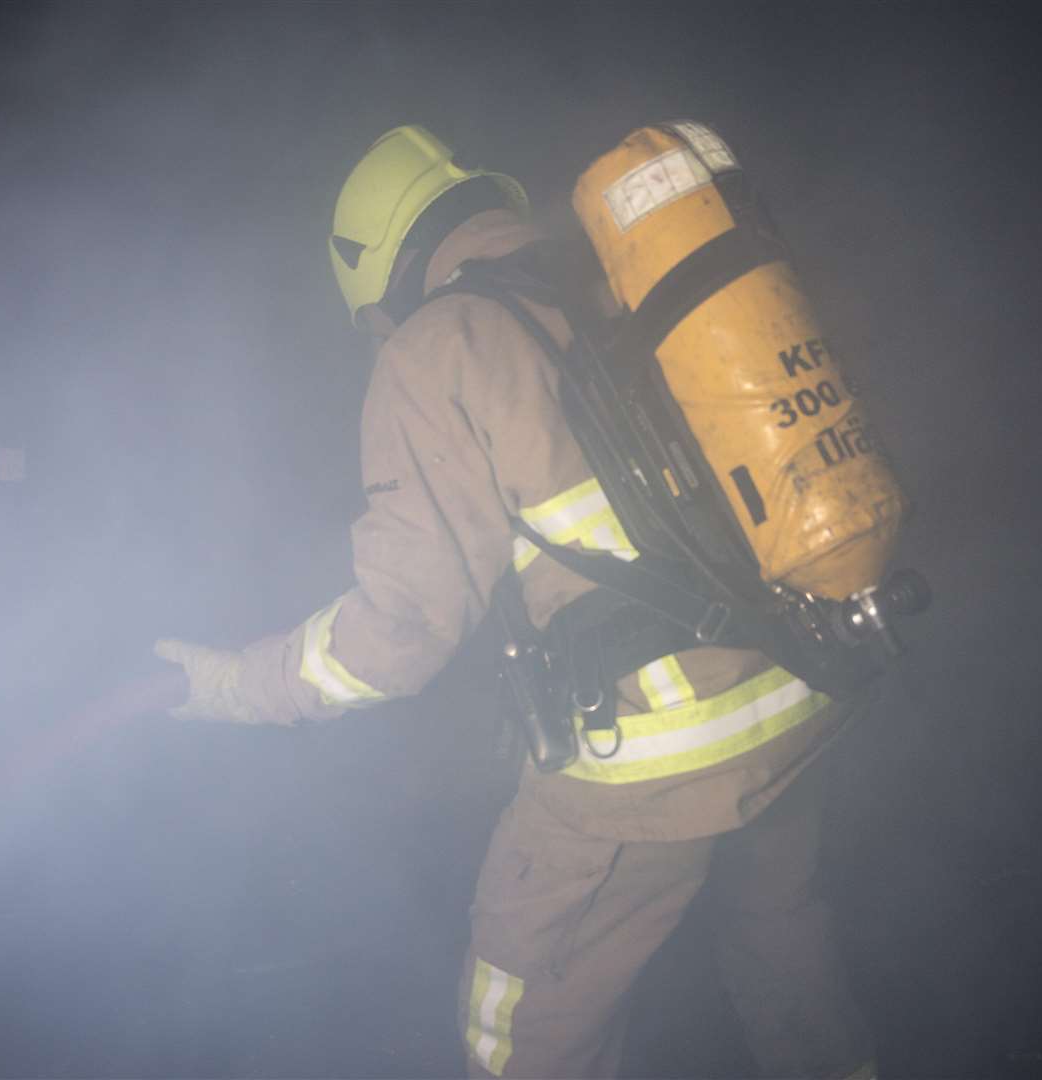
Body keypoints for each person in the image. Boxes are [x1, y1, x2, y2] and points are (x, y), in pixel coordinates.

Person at [154, 124, 876, 1079]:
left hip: (655, 755)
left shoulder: (435, 346)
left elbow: (407, 627)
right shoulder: (613, 283)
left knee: (518, 1020)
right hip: (800, 684)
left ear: (379, 278)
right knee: (787, 948)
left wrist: (239, 687)